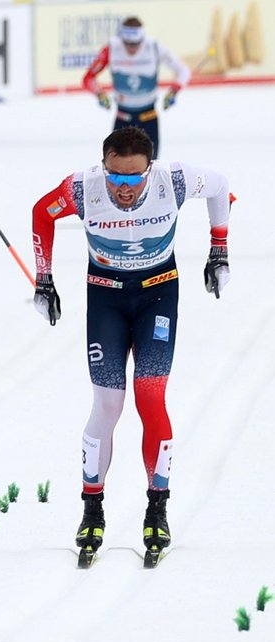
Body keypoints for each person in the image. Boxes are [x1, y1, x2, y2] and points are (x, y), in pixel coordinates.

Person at [30, 126, 230, 567]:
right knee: (108, 405)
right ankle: (92, 510)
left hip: (158, 294)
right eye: (115, 177)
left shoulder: (173, 180)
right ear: (104, 167)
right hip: (106, 297)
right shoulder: (82, 188)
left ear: (149, 169)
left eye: (133, 177)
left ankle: (157, 508)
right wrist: (44, 278)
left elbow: (220, 187)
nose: (124, 187)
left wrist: (219, 250)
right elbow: (41, 213)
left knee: (150, 396)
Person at [82, 16, 191, 159]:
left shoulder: (154, 47)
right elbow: (88, 78)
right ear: (121, 38)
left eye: (135, 44)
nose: (131, 48)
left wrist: (173, 91)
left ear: (142, 39)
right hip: (123, 116)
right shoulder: (111, 48)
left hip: (148, 116)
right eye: (127, 43)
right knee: (115, 163)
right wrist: (100, 94)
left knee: (151, 165)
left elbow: (183, 71)